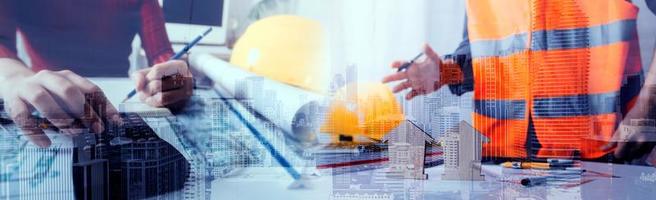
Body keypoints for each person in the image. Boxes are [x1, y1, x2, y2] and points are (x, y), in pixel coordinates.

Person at [383, 0, 646, 162]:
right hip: (503, 158)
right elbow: (489, 55)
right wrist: (447, 72)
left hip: (599, 153)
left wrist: (650, 105)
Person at [0, 0, 193, 147]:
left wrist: (177, 77)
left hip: (113, 100)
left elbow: (163, 55)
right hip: (47, 100)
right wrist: (15, 78)